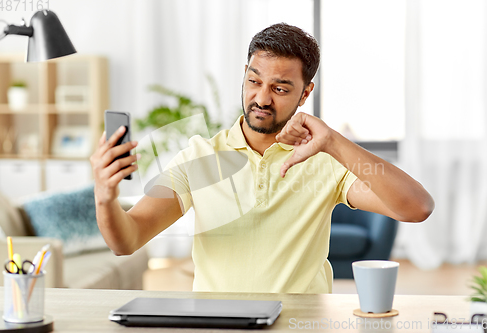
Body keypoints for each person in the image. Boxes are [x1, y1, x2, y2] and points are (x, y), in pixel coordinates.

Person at [90, 23, 434, 293]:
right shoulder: (200, 156)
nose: (262, 98)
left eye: (280, 88)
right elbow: (127, 240)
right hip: (219, 324)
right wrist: (106, 198)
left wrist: (332, 141)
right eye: (254, 81)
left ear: (306, 92)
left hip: (301, 323)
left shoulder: (325, 159)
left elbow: (416, 207)